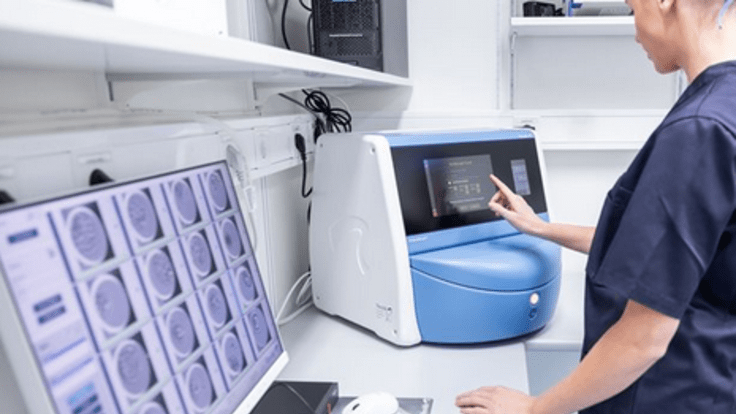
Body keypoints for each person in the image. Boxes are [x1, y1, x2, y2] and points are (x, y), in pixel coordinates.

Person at [455, 0, 736, 412]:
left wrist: (534, 409)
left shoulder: (699, 129)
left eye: (632, 9)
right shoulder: (724, 108)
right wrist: (540, 227)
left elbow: (644, 337)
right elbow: (670, 255)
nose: (636, 31)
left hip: (666, 394)